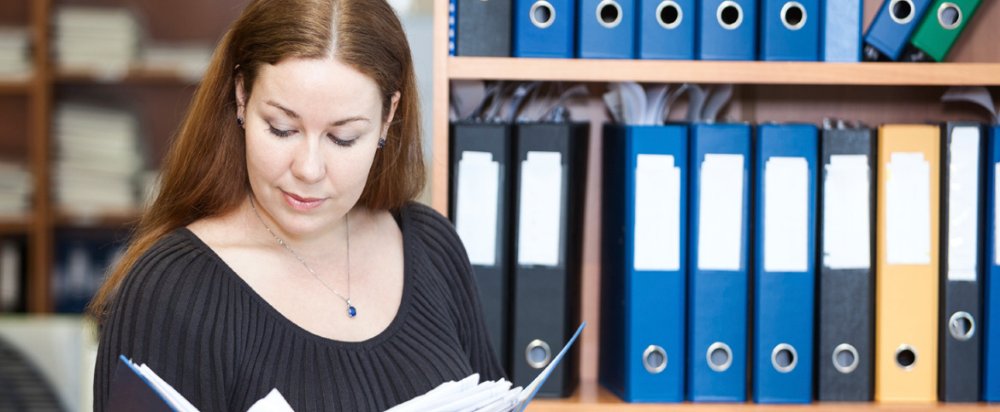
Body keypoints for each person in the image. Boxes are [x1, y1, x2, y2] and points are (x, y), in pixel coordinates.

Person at [88, 0, 505, 410]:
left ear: (387, 116)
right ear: (241, 97)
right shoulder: (169, 288)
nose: (308, 169)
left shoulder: (431, 246)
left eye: (343, 138)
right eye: (282, 129)